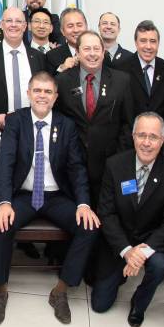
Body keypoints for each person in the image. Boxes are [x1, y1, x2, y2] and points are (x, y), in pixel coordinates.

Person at [0, 72, 100, 325]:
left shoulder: (66, 125)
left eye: (48, 92)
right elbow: (4, 163)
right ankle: (0, 290)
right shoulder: (16, 121)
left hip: (55, 196)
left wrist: (84, 204)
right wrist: (4, 202)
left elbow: (77, 168)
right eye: (37, 91)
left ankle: (61, 290)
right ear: (28, 93)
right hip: (24, 195)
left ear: (55, 97)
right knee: (2, 224)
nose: (42, 96)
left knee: (89, 227)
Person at [90, 112, 164, 326]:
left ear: (162, 140)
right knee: (99, 305)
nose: (147, 143)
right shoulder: (115, 165)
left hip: (151, 241)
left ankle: (139, 302)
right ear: (133, 137)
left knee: (160, 265)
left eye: (153, 137)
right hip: (119, 241)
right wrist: (127, 251)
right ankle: (121, 272)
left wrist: (141, 253)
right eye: (141, 135)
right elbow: (106, 213)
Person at [54, 30, 134, 206]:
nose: (92, 54)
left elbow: (128, 123)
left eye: (97, 49)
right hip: (73, 166)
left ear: (103, 52)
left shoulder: (122, 80)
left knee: (107, 213)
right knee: (78, 215)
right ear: (77, 52)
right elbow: (57, 122)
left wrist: (119, 158)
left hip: (110, 164)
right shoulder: (62, 81)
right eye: (87, 49)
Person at [0, 6, 47, 127]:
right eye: (9, 21)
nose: (13, 25)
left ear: (24, 26)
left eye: (18, 21)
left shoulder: (39, 57)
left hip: (33, 127)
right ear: (2, 25)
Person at [117, 20, 164, 127]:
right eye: (143, 41)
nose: (148, 46)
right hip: (130, 135)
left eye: (153, 41)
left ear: (158, 43)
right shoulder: (121, 70)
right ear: (136, 43)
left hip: (160, 135)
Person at [45, 8, 89, 75]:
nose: (76, 30)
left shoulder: (98, 52)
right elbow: (48, 80)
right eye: (70, 26)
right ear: (62, 31)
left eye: (79, 25)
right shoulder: (52, 56)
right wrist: (62, 68)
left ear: (86, 27)